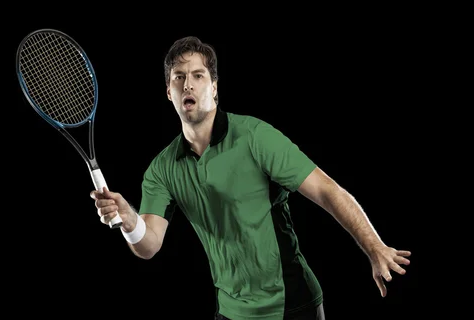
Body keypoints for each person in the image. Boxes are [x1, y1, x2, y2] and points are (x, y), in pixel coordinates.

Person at [90, 36, 411, 320]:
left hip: (294, 306)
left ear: (214, 88)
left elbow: (328, 191)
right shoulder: (161, 169)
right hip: (232, 311)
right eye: (179, 77)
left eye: (198, 76)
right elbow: (150, 245)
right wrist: (128, 219)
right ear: (168, 91)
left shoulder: (255, 138)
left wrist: (374, 247)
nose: (188, 84)